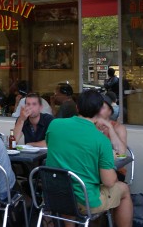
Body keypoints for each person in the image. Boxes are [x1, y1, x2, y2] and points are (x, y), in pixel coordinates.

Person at [46, 90, 132, 227]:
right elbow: (109, 182)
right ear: (99, 111)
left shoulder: (54, 125)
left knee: (68, 187)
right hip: (85, 201)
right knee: (124, 189)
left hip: (56, 195)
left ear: (77, 107)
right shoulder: (101, 140)